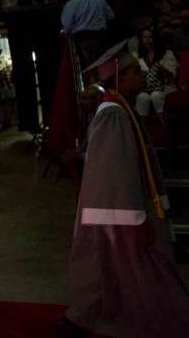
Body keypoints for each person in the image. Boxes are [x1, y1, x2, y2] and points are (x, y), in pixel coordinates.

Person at [55, 43, 189, 338]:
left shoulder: (121, 108)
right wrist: (132, 220)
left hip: (126, 206)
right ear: (120, 76)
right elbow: (112, 171)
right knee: (121, 270)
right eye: (136, 72)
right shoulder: (113, 112)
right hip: (122, 209)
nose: (142, 77)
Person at [133, 28, 178, 120]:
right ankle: (142, 126)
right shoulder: (137, 55)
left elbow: (171, 77)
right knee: (142, 97)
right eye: (144, 37)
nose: (147, 40)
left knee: (156, 95)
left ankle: (164, 122)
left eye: (150, 37)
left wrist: (162, 69)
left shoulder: (167, 53)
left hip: (163, 87)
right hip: (144, 87)